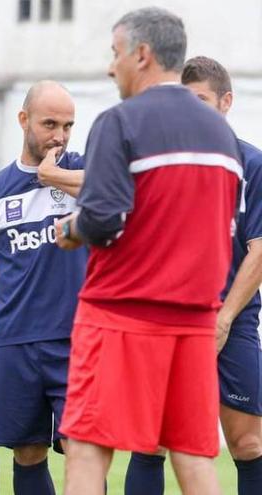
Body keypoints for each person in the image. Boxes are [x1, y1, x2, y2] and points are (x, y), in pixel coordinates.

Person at [55, 8, 243, 495]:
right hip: (196, 317)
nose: (110, 66)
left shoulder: (120, 122)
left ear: (142, 55)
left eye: (115, 53)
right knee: (194, 455)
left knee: (86, 447)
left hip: (121, 311)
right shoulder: (222, 134)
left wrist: (73, 227)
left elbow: (103, 218)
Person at [122, 55, 262, 495]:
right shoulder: (160, 162)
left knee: (249, 442)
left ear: (226, 102)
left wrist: (224, 318)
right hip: (167, 320)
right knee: (151, 444)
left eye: (201, 100)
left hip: (232, 321)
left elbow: (259, 250)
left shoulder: (252, 165)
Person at [0, 80, 85, 495]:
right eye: (50, 123)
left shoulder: (82, 173)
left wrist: (53, 176)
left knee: (82, 449)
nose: (60, 135)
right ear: (23, 120)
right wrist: (28, 299)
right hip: (16, 341)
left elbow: (123, 193)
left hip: (77, 340)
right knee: (27, 451)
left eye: (68, 125)